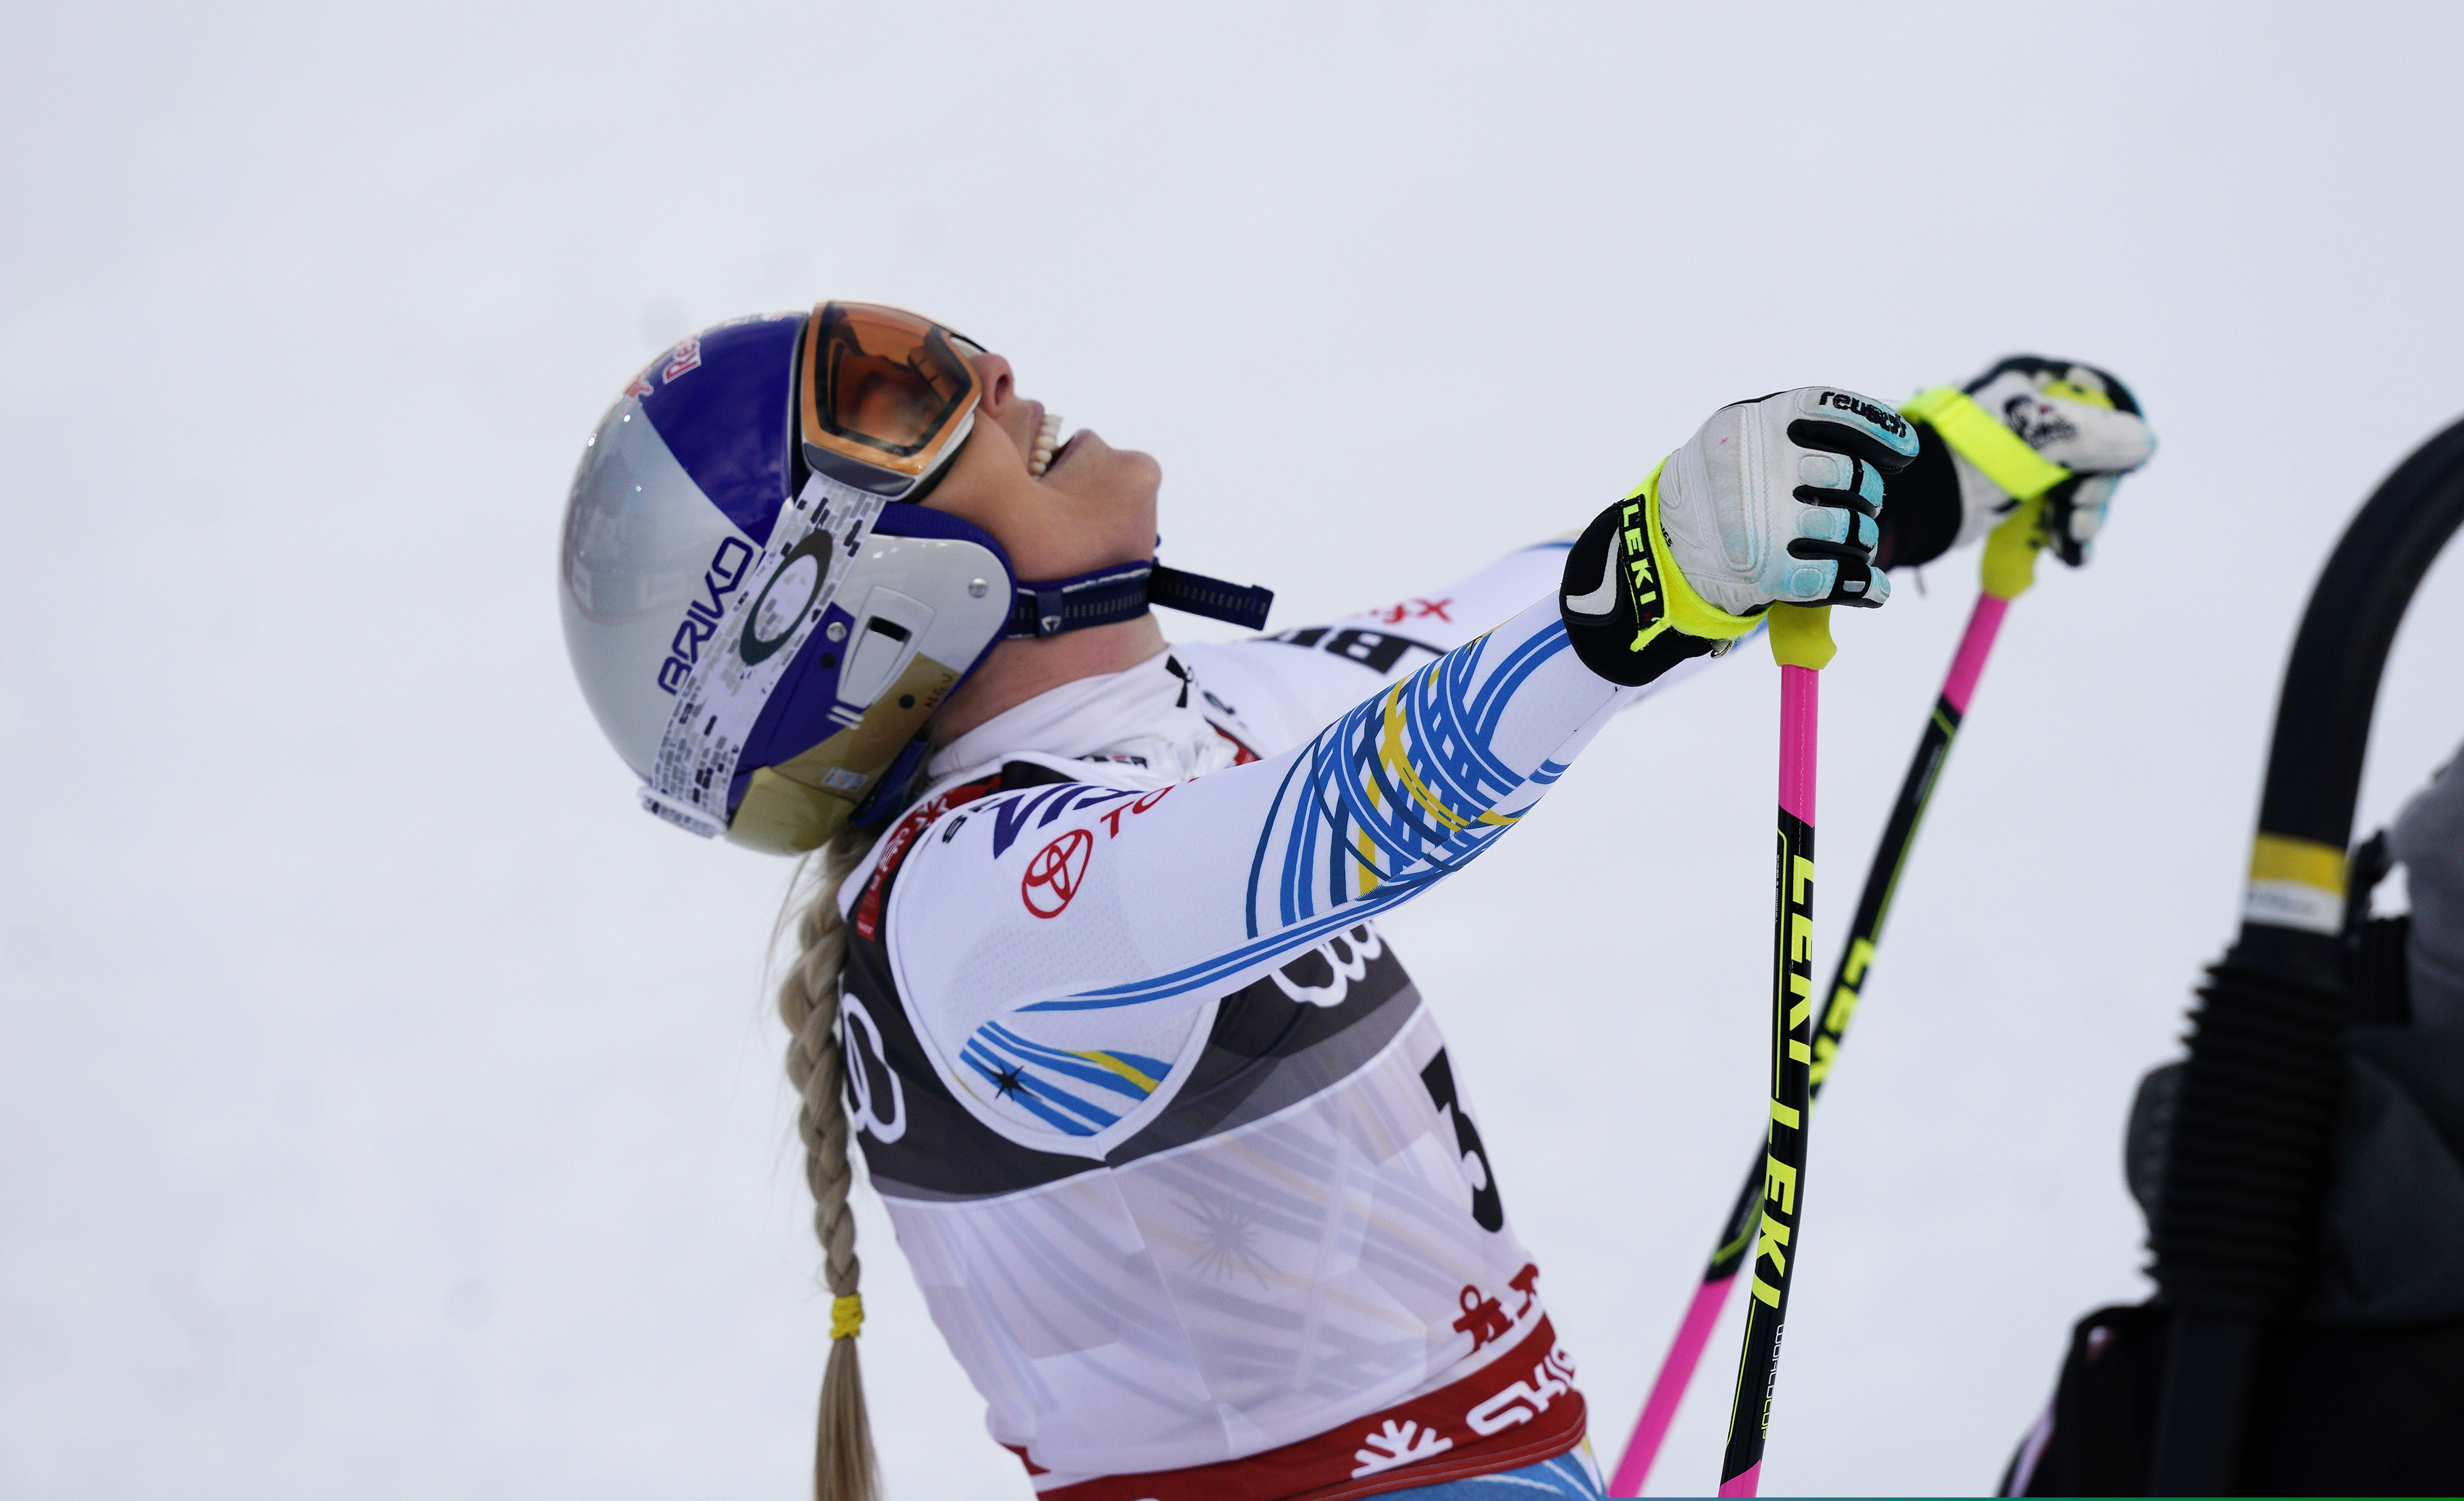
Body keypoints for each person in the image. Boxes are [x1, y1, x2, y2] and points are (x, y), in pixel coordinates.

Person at [557, 305, 2154, 1501]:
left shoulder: (1177, 726)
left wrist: (1924, 471)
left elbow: (1534, 604)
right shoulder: (970, 922)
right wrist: (1651, 593)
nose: (990, 374)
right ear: (845, 602)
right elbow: (1356, 814)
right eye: (905, 402)